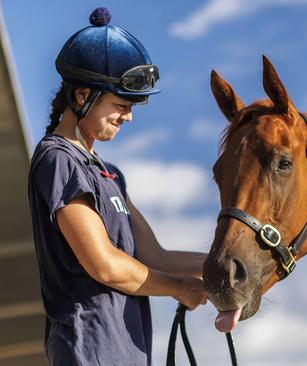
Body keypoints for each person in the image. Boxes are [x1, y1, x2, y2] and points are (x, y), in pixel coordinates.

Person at [27, 7, 207, 365]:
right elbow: (104, 264)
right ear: (81, 96)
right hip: (88, 352)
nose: (129, 116)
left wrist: (228, 266)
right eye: (121, 104)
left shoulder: (110, 174)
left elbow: (155, 256)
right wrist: (177, 287)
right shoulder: (59, 159)